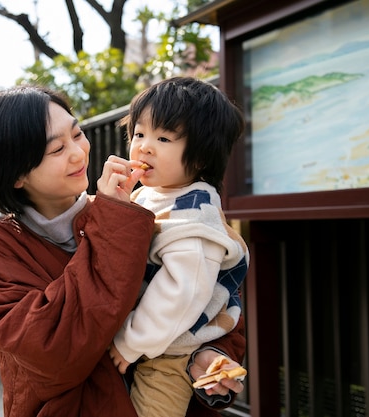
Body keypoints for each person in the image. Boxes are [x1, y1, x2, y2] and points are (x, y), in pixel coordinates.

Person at [0, 84, 246, 417]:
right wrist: (113, 220)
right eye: (57, 149)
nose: (79, 153)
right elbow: (56, 350)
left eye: (77, 133)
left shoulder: (140, 210)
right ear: (16, 174)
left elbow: (210, 296)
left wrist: (208, 354)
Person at [107, 76, 250, 417]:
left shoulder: (194, 215)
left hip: (175, 351)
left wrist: (130, 343)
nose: (144, 147)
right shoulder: (149, 193)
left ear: (201, 158)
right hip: (155, 336)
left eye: (164, 138)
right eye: (139, 134)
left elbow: (180, 294)